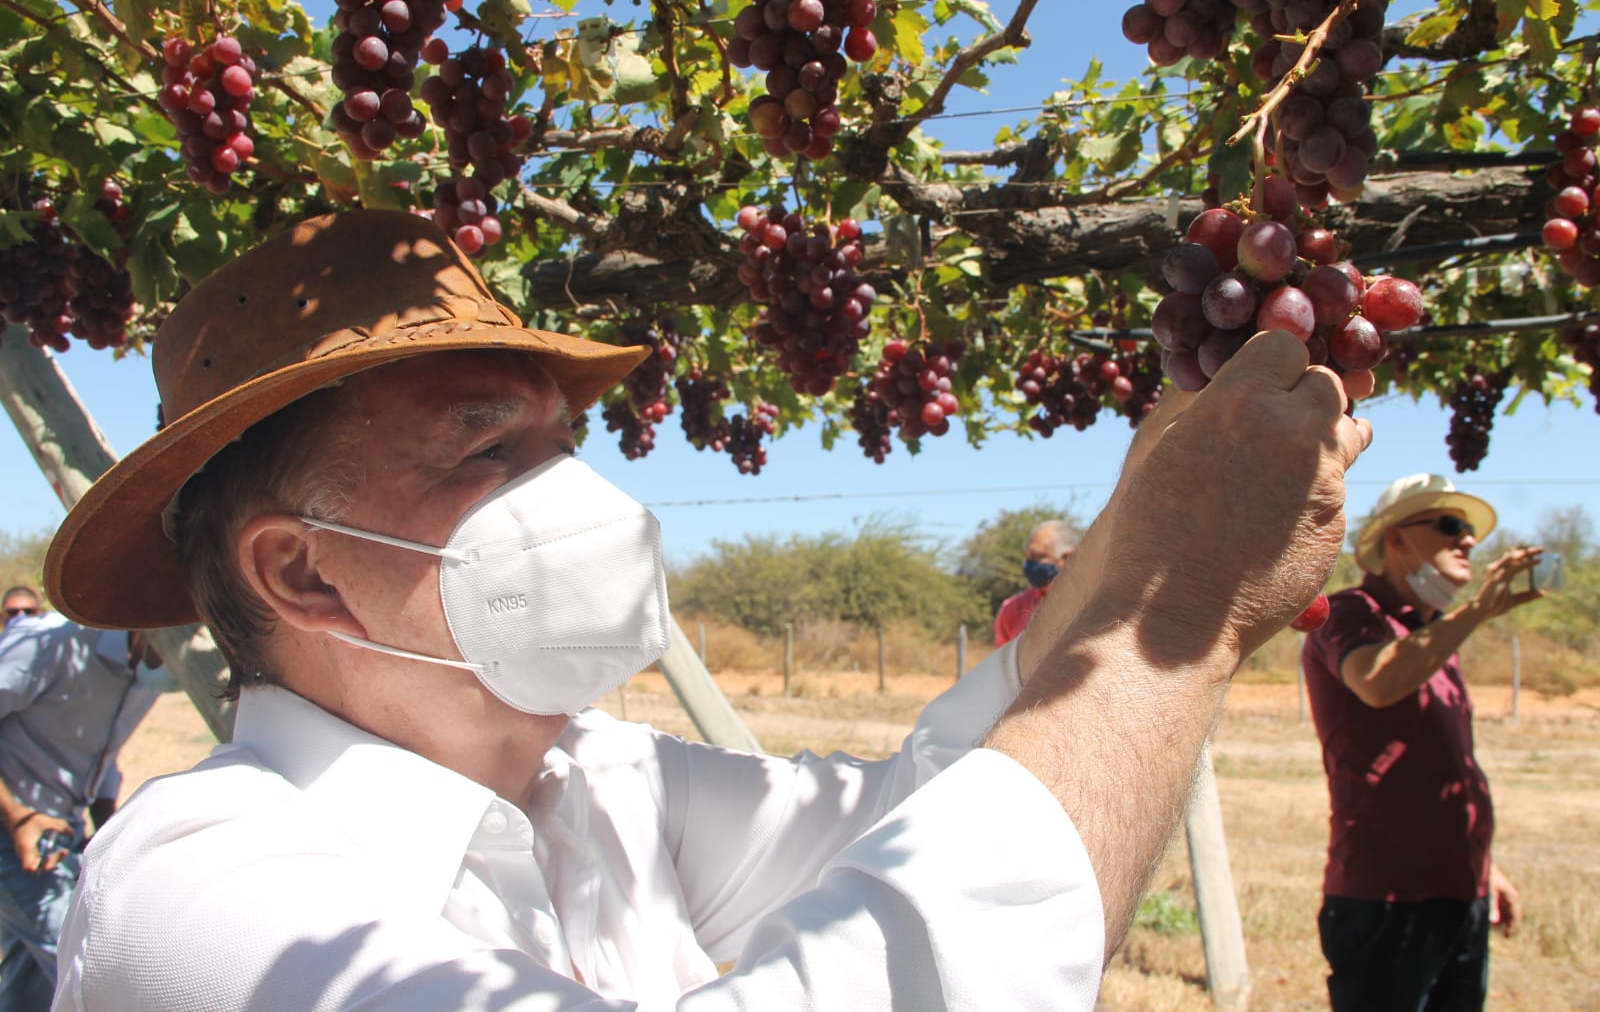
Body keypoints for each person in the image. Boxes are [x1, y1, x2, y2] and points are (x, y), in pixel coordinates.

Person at [44, 210, 1369, 1011]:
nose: (576, 492)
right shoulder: (200, 885)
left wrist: (1142, 529)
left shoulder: (597, 781)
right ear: (303, 573)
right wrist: (1175, 611)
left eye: (563, 443)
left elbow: (927, 812)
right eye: (484, 452)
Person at [1301, 473, 1541, 1012]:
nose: (1469, 541)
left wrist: (1484, 866)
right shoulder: (1352, 612)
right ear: (1397, 539)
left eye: (1471, 530)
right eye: (1451, 525)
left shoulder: (1434, 635)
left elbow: (1445, 768)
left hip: (1461, 895)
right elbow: (1377, 680)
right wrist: (1477, 610)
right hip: (1385, 902)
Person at [0, 610, 175, 1011]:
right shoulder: (53, 648)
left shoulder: (147, 674)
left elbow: (101, 761)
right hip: (16, 835)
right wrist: (19, 818)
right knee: (89, 969)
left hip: (59, 837)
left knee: (31, 985)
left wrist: (108, 834)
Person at [992, 520, 1079, 646]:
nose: (1029, 564)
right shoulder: (1012, 609)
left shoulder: (1096, 603)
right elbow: (1002, 662)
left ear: (1068, 557)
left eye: (1038, 556)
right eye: (1028, 557)